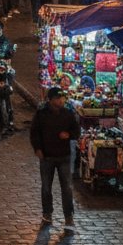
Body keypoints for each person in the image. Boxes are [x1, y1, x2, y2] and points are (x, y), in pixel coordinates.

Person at [30, 85, 79, 231]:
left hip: (64, 156)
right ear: (50, 100)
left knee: (67, 188)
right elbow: (34, 133)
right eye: (58, 98)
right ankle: (47, 214)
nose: (61, 100)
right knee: (46, 187)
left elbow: (76, 131)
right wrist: (37, 149)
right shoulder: (41, 114)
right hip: (46, 157)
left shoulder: (68, 114)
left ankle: (69, 217)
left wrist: (68, 135)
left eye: (62, 98)